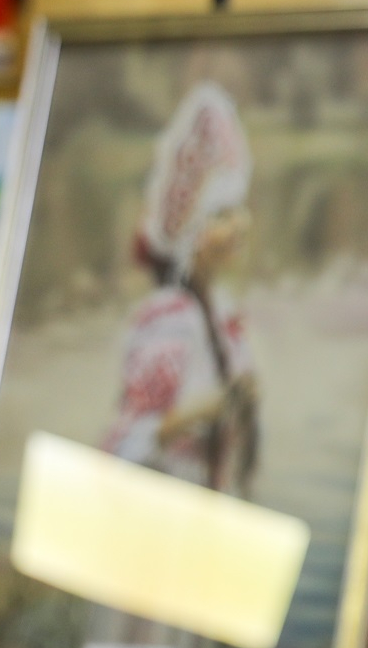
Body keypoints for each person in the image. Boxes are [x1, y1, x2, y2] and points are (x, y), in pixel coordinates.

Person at [102, 81, 260, 497]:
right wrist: (201, 411)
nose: (240, 225)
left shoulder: (220, 314)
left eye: (239, 210)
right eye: (222, 215)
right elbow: (125, 445)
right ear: (190, 234)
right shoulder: (168, 320)